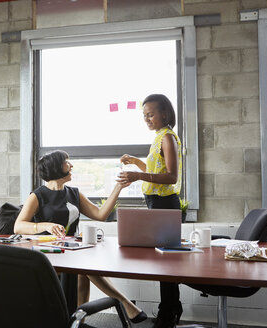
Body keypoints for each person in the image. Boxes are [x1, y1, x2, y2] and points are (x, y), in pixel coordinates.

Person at [14, 150, 148, 325]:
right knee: (84, 267)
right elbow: (18, 226)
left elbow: (100, 214)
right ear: (55, 167)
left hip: (71, 251)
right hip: (48, 254)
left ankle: (79, 319)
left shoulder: (74, 193)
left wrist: (118, 188)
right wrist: (45, 225)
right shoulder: (38, 196)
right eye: (66, 162)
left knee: (83, 267)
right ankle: (122, 303)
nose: (71, 165)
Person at [117, 94, 183, 328]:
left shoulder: (167, 138)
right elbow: (156, 170)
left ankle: (169, 312)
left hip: (165, 204)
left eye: (151, 114)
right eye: (144, 115)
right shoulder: (158, 137)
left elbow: (171, 177)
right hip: (156, 203)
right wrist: (137, 163)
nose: (147, 118)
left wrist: (137, 175)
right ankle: (169, 309)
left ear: (164, 113)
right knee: (161, 261)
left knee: (166, 263)